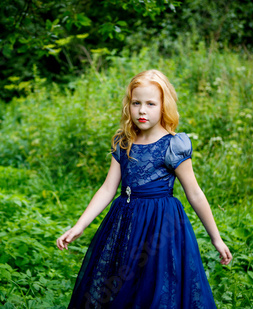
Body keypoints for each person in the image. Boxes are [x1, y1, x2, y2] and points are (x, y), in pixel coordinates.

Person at [56, 69, 232, 308]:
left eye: (150, 103)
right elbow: (108, 188)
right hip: (125, 222)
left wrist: (216, 238)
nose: (142, 110)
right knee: (121, 282)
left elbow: (195, 193)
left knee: (156, 284)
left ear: (163, 105)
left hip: (161, 226)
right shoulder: (123, 141)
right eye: (136, 103)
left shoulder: (174, 145)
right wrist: (79, 226)